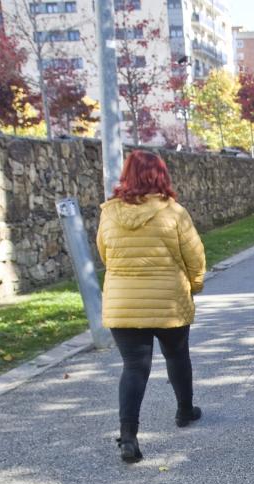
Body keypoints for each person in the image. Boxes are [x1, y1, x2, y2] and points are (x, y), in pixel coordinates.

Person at [97, 150, 206, 464]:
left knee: (134, 368)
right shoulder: (173, 212)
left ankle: (128, 436)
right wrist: (194, 284)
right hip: (168, 300)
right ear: (161, 175)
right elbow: (195, 257)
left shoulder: (109, 212)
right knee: (177, 355)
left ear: (127, 176)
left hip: (124, 304)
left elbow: (105, 254)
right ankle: (185, 410)